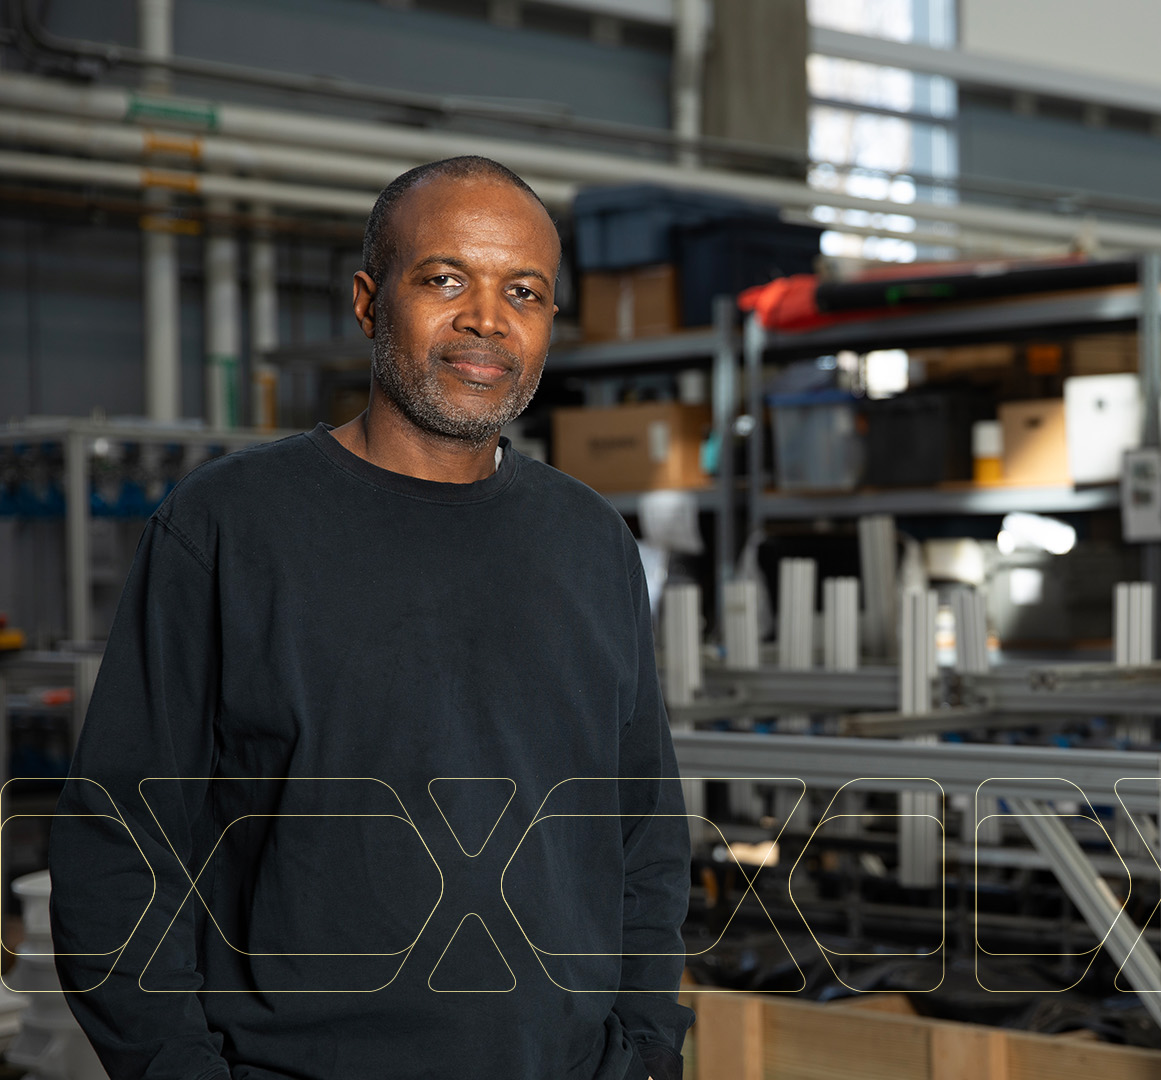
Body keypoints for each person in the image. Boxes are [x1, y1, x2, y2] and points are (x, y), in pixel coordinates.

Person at [48, 156, 693, 1080]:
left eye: (525, 291)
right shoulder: (228, 527)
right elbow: (118, 842)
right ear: (367, 300)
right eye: (444, 279)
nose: (486, 319)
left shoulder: (591, 541)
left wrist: (643, 1051)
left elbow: (643, 838)